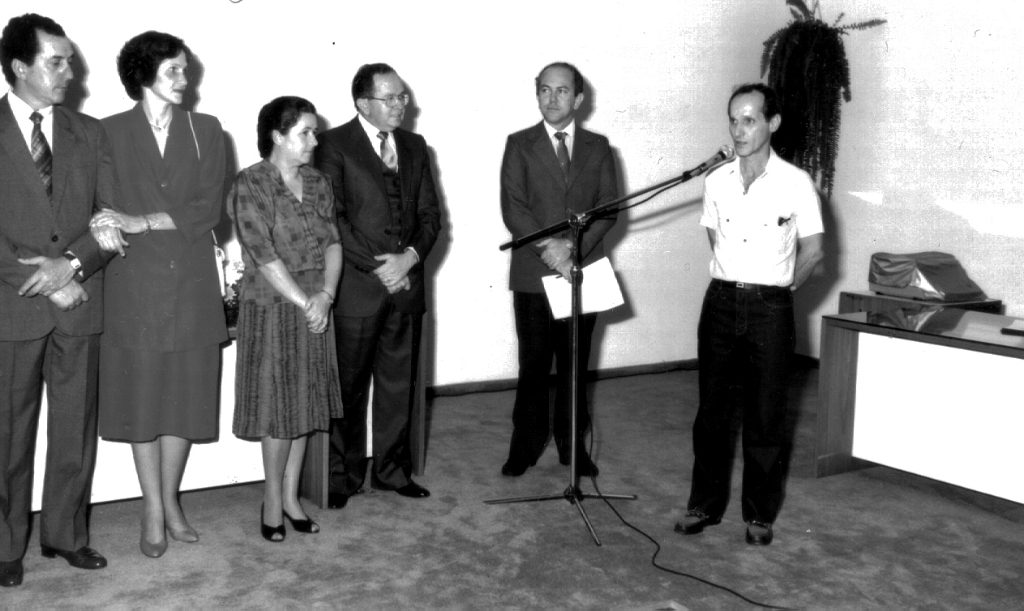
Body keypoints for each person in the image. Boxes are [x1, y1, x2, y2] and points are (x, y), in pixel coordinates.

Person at [89, 31, 228, 559]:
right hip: (135, 286)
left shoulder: (207, 130)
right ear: (143, 74)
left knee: (186, 399)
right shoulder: (108, 132)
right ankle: (152, 507)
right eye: (173, 70)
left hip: (191, 285)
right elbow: (102, 204)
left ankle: (171, 501)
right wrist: (110, 222)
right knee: (143, 400)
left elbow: (209, 209)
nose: (184, 80)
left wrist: (140, 219)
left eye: (185, 70)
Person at [0, 13, 121, 587]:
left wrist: (70, 266)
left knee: (73, 429)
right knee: (7, 435)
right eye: (57, 61)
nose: (69, 71)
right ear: (20, 67)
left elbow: (109, 219)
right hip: (13, 306)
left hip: (79, 303)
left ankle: (66, 535)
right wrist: (44, 277)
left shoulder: (89, 132)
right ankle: (5, 546)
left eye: (69, 59)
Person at [675, 83, 824, 546]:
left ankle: (759, 514)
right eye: (733, 120)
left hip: (769, 308)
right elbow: (713, 238)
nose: (738, 130)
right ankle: (704, 504)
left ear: (772, 123)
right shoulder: (715, 180)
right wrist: (733, 279)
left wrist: (779, 287)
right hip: (719, 302)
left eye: (749, 120)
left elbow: (815, 250)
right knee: (712, 413)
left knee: (764, 415)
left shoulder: (795, 182)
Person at [315, 63, 440, 509]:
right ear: (362, 103)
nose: (400, 106)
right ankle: (343, 477)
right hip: (357, 288)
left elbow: (430, 217)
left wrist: (409, 258)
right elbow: (334, 219)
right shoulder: (332, 145)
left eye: (402, 97)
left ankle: (392, 471)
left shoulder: (415, 146)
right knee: (347, 389)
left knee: (398, 384)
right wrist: (380, 266)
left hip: (406, 284)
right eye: (390, 98)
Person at [229, 96, 343, 542]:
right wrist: (305, 300)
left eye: (314, 131)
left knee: (306, 407)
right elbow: (262, 253)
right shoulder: (250, 183)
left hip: (317, 303)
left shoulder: (318, 182)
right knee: (278, 411)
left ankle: (293, 496)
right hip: (275, 306)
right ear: (277, 136)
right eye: (305, 133)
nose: (315, 140)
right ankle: (272, 501)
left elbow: (333, 241)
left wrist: (327, 296)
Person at [499, 62, 618, 478]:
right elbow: (514, 208)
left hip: (585, 272)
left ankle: (573, 447)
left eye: (562, 91)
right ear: (538, 96)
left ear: (579, 99)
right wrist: (551, 250)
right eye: (545, 90)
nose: (553, 99)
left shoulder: (599, 147)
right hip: (534, 273)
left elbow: (609, 209)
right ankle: (525, 445)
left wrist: (572, 248)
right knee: (533, 365)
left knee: (574, 363)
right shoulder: (519, 144)